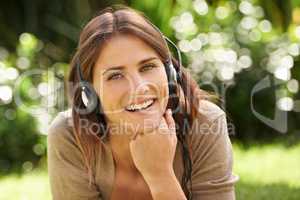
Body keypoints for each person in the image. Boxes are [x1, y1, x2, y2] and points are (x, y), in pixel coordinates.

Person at [47, 5, 239, 200]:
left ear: (170, 73)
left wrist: (160, 175)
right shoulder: (70, 135)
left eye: (147, 66)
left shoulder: (205, 123)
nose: (138, 87)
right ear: (90, 89)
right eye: (115, 76)